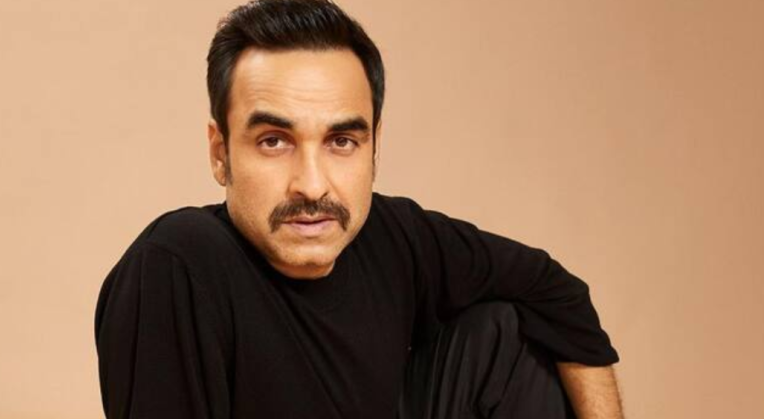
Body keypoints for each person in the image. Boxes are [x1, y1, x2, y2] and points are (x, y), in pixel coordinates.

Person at [94, 1, 623, 418]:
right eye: (274, 141)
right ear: (220, 153)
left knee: (504, 331)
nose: (312, 185)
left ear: (374, 149)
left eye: (341, 141)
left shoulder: (394, 236)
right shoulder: (181, 263)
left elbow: (558, 295)